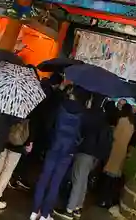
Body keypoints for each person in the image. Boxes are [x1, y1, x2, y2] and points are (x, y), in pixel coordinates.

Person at [30, 86, 89, 220]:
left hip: (54, 147)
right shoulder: (83, 113)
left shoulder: (60, 107)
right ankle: (45, 215)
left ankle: (34, 211)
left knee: (44, 178)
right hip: (67, 152)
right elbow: (82, 135)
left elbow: (49, 125)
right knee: (56, 183)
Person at [55, 97, 113, 219]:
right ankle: (77, 208)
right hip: (95, 158)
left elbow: (79, 131)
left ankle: (69, 210)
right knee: (83, 181)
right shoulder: (104, 120)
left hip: (85, 152)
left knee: (77, 181)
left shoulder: (88, 116)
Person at [99, 103, 135, 208]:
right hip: (122, 151)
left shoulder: (122, 120)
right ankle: (110, 200)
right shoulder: (132, 124)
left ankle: (103, 199)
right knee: (114, 180)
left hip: (115, 150)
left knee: (108, 177)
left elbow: (115, 135)